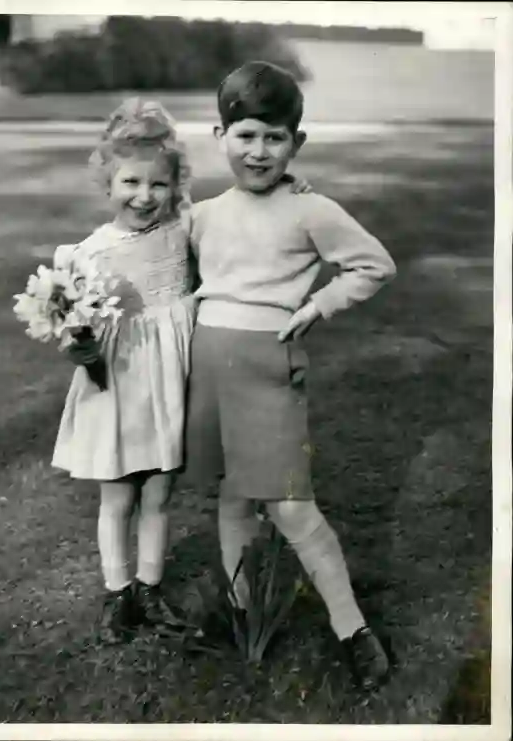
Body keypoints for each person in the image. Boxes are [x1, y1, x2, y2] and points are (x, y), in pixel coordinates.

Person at [51, 97, 310, 645]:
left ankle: (149, 587)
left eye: (158, 186)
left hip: (171, 381)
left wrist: (293, 188)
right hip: (117, 385)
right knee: (119, 496)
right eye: (131, 183)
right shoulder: (85, 254)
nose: (145, 197)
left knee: (160, 494)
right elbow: (70, 327)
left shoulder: (183, 228)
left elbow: (244, 206)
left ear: (176, 187)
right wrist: (78, 347)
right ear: (107, 181)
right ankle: (118, 594)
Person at [185, 61, 397, 690]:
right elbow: (183, 281)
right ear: (219, 134)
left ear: (296, 144)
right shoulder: (202, 214)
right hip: (209, 364)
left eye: (274, 138)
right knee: (230, 494)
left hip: (268, 367)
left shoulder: (311, 210)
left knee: (292, 506)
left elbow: (373, 264)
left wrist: (317, 305)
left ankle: (351, 628)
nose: (258, 151)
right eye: (245, 134)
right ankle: (239, 607)